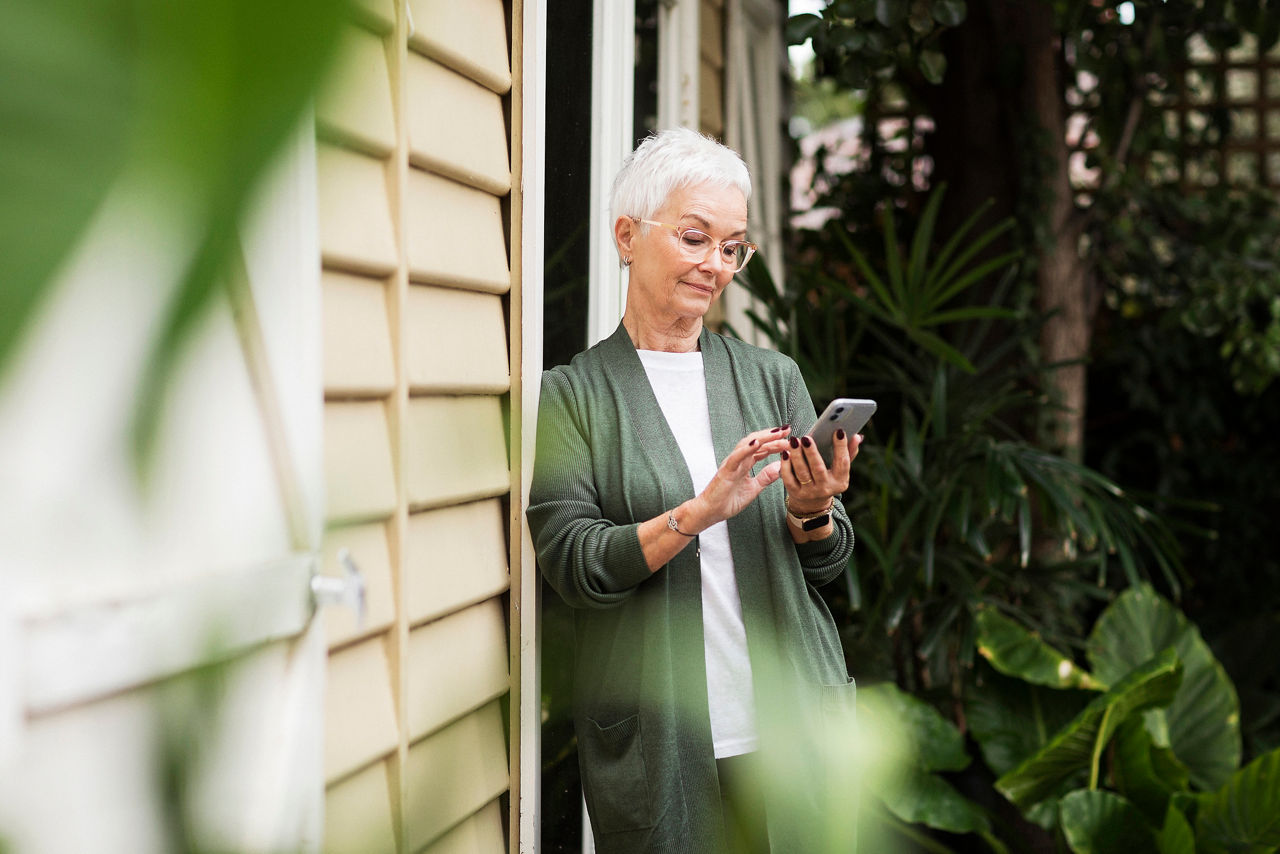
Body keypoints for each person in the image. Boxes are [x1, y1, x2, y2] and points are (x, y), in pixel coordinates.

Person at [528, 127, 862, 853]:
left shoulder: (772, 377)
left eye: (731, 246)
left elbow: (826, 565)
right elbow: (573, 563)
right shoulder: (574, 395)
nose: (715, 264)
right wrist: (697, 513)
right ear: (627, 235)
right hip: (661, 740)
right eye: (694, 237)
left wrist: (814, 513)